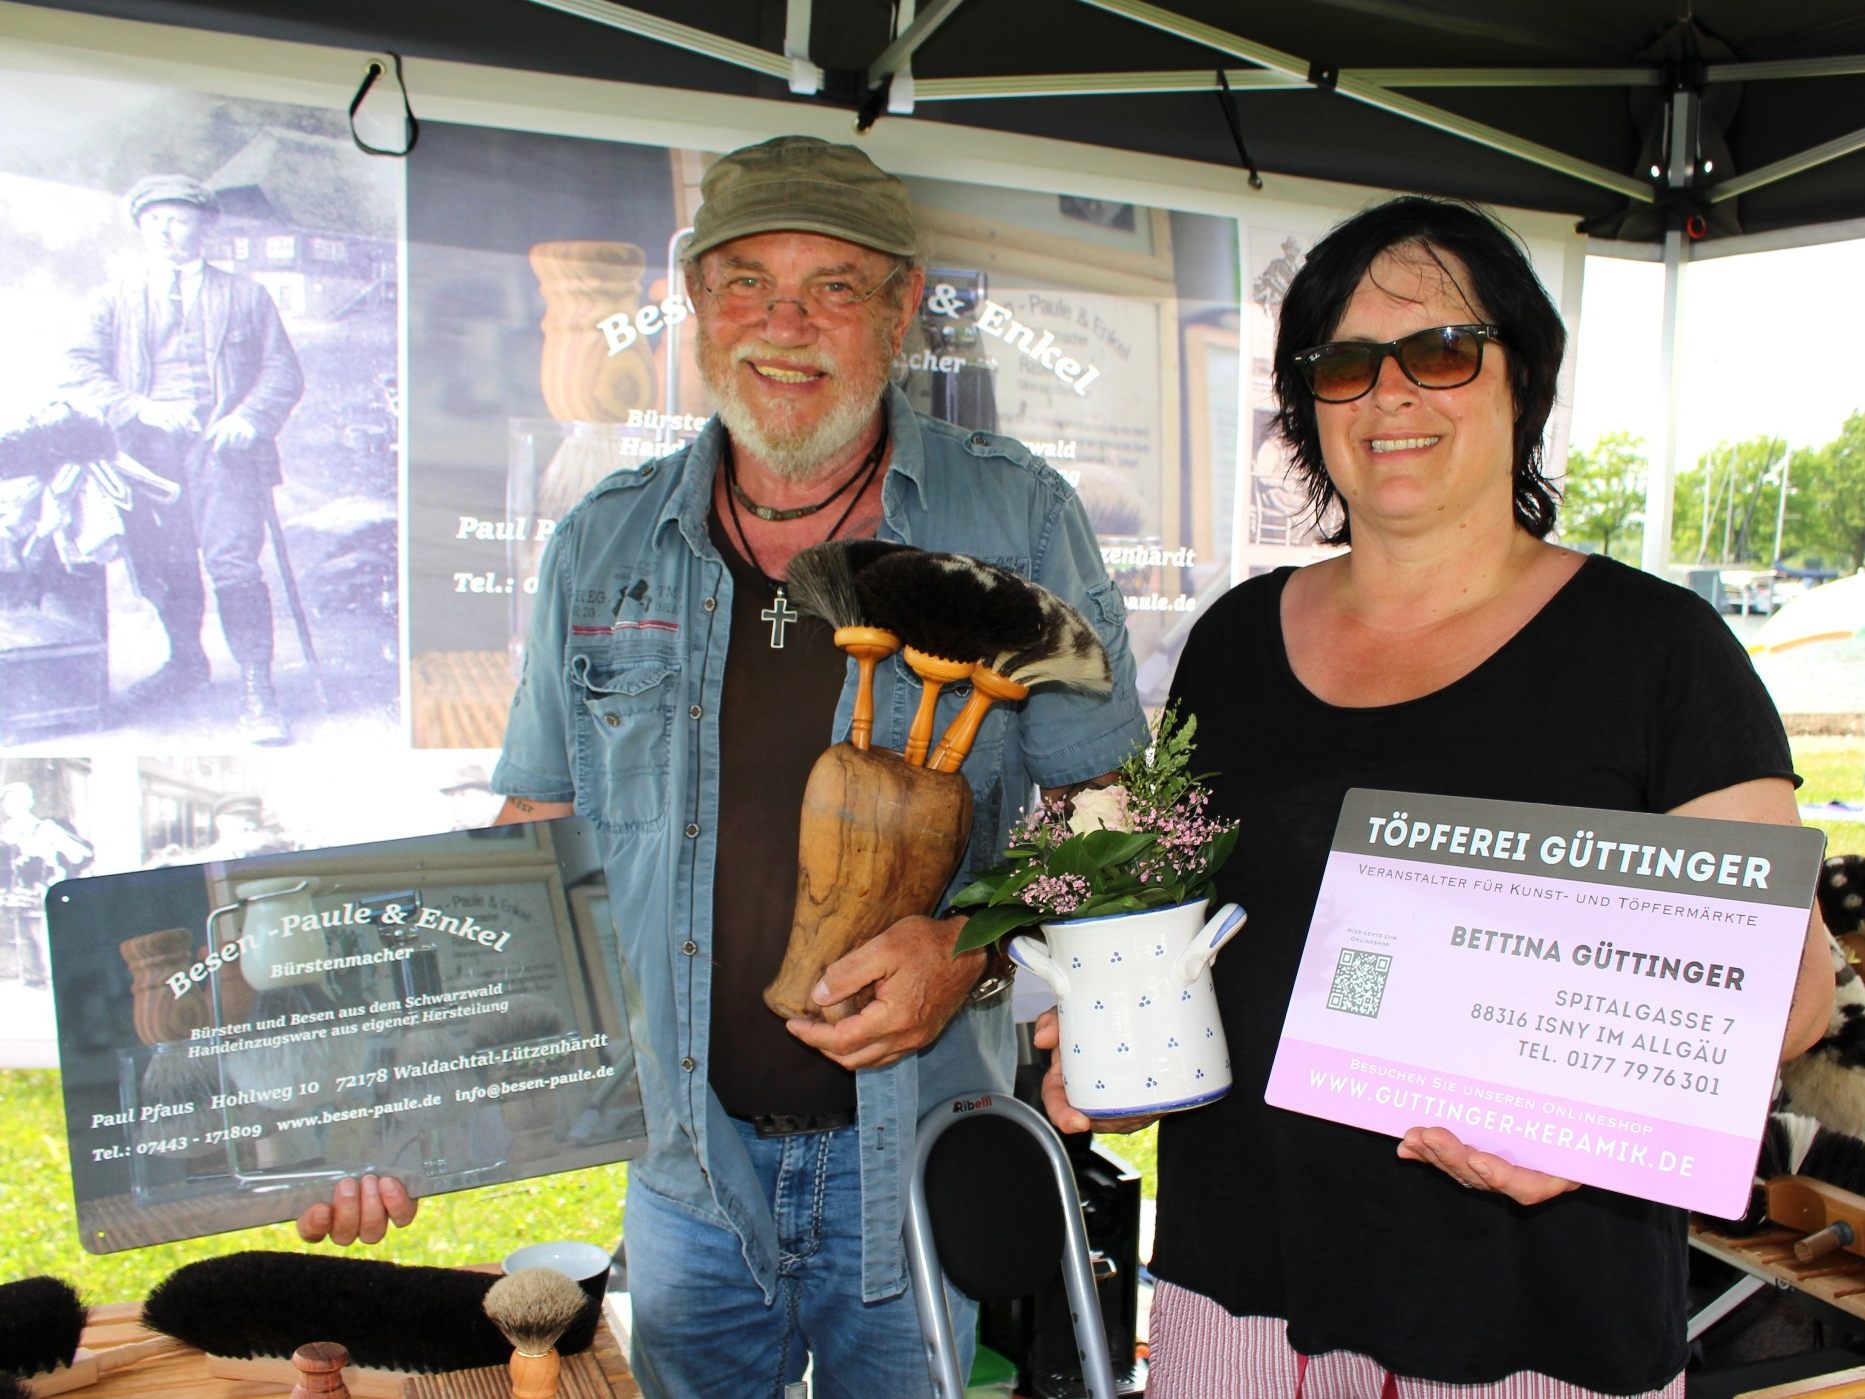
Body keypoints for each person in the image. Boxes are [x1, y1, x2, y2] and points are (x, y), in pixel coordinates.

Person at [298, 135, 1147, 1399]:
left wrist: (966, 950)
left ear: (902, 307)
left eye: (834, 289)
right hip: (685, 1168)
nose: (783, 325)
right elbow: (536, 837)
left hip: (913, 1157)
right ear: (695, 302)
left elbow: (1106, 813)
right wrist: (412, 1106)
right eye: (745, 282)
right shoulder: (604, 541)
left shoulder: (1010, 515)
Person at [1036, 196, 1834, 1397]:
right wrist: (1112, 1015)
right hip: (1242, 1289)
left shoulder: (1654, 649)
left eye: (1442, 352)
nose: (1390, 395)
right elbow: (1191, 904)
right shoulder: (1236, 640)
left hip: (1531, 1315)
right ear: (1306, 407)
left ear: (1523, 382)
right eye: (1344, 365)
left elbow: (1798, 983)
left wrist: (1588, 1127)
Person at [64, 174, 304, 744]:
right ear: (141, 228)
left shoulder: (246, 295)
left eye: (179, 220)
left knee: (235, 568)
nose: (167, 232)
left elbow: (281, 371)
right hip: (144, 458)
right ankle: (186, 664)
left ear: (206, 226)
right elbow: (79, 368)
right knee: (163, 569)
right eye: (154, 222)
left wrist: (247, 417)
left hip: (225, 455)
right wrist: (138, 407)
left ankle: (256, 688)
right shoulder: (113, 298)